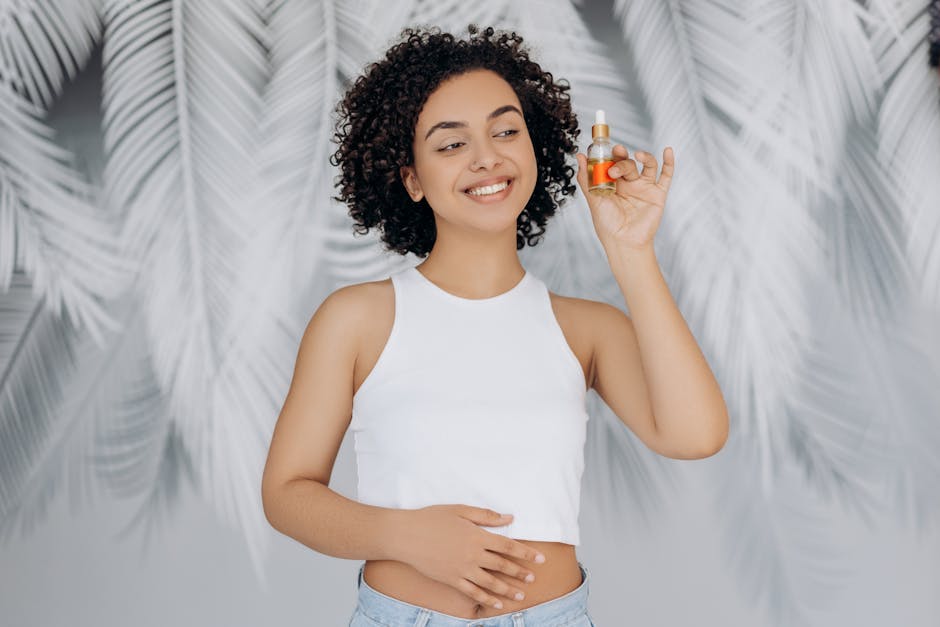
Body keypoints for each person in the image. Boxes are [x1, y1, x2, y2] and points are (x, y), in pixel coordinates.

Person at [261, 24, 729, 626]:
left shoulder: (586, 329)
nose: (488, 156)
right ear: (411, 178)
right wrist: (406, 537)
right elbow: (287, 493)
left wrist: (631, 252)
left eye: (506, 131)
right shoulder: (356, 320)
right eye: (451, 144)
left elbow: (696, 435)